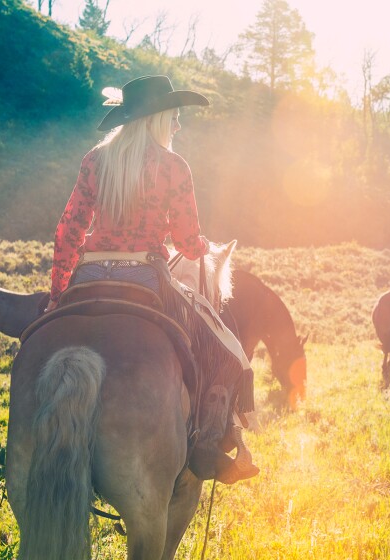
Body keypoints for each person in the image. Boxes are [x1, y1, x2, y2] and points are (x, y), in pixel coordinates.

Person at [45, 75, 257, 484]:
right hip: (147, 275)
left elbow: (68, 231)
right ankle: (207, 445)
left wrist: (57, 295)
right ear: (158, 118)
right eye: (174, 116)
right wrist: (204, 247)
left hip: (88, 273)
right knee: (226, 353)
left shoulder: (94, 161)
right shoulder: (173, 166)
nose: (177, 126)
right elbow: (185, 240)